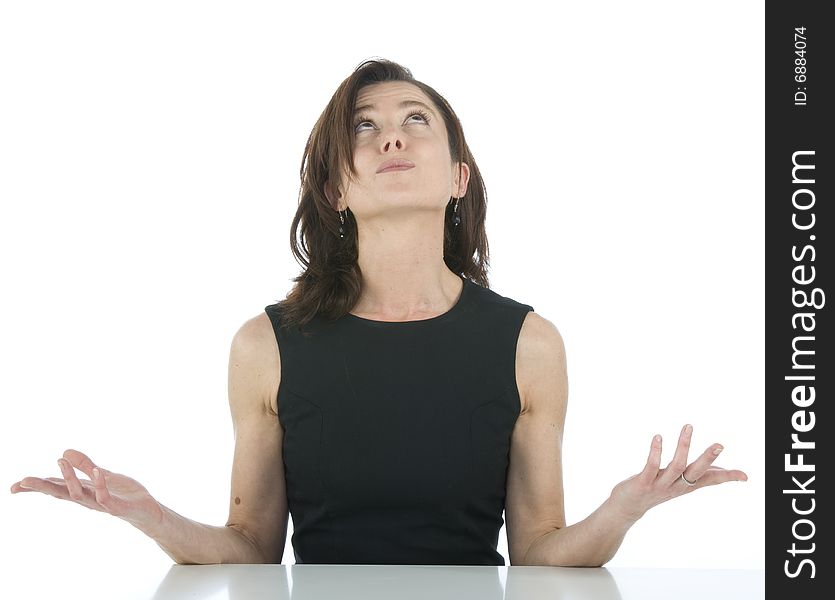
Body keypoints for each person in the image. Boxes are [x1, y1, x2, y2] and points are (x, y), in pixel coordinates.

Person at [10, 58, 748, 567]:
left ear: (457, 177)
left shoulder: (529, 344)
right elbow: (251, 548)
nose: (391, 136)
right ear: (335, 188)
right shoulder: (265, 345)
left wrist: (622, 511)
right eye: (362, 127)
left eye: (415, 119)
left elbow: (539, 555)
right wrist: (148, 516)